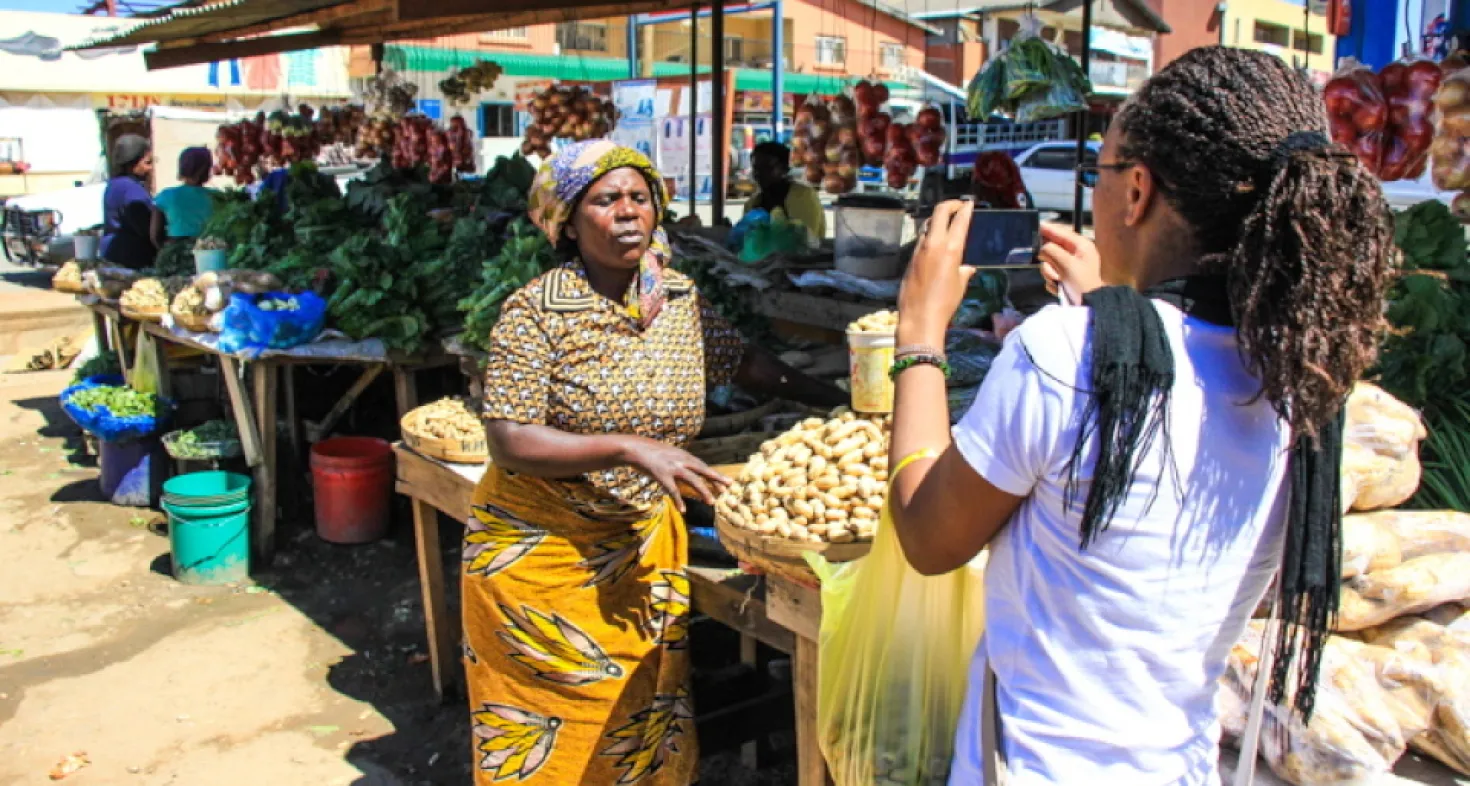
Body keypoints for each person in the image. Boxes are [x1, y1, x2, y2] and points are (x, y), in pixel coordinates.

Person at [885, 47, 1394, 785]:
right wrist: (1109, 312)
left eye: (1103, 173)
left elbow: (929, 538)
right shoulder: (1304, 384)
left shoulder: (1064, 354)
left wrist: (918, 337)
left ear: (1137, 193)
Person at [464, 140, 843, 785]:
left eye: (639, 197)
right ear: (567, 221)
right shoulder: (534, 312)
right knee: (552, 741)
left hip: (640, 552)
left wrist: (837, 399)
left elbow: (744, 363)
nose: (628, 212)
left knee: (641, 725)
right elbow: (509, 437)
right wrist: (627, 446)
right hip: (543, 557)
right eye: (606, 200)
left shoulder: (677, 298)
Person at [745, 141, 826, 240]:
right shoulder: (752, 203)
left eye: (766, 167)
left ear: (784, 168)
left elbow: (803, 241)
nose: (758, 173)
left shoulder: (803, 196)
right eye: (755, 168)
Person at [100, 134, 157, 270]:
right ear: (133, 163)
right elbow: (144, 227)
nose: (150, 168)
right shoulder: (132, 190)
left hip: (111, 254)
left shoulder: (113, 185)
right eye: (147, 163)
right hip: (132, 258)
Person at [151, 147, 216, 247]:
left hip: (176, 250)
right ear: (206, 169)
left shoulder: (166, 196)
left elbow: (155, 235)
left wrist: (167, 251)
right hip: (210, 250)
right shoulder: (218, 197)